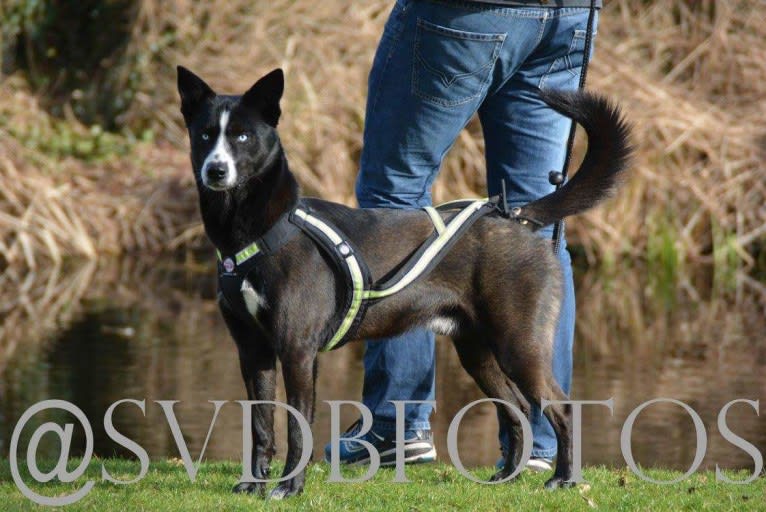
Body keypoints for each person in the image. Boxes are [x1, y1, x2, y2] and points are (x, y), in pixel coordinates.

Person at [325, 0, 600, 469]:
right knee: (538, 223)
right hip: (569, 14)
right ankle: (540, 443)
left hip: (463, 14)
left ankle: (396, 427)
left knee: (395, 193)